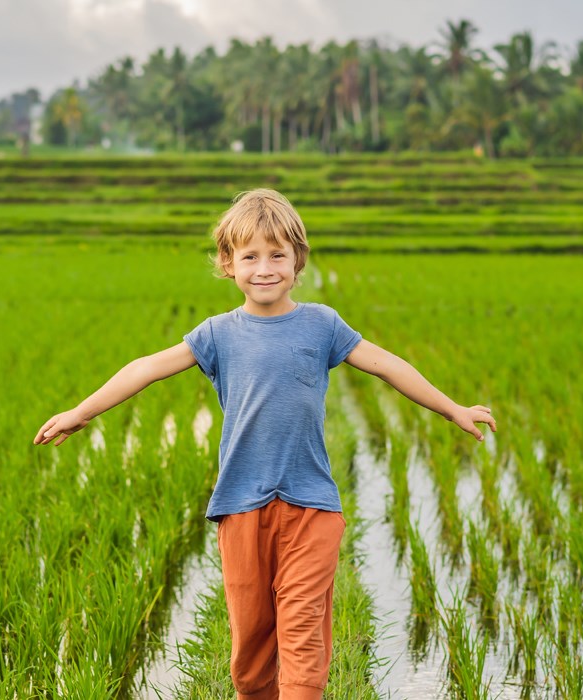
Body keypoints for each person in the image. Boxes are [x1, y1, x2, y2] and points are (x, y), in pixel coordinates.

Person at [33, 188, 497, 700]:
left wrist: (452, 407)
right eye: (250, 256)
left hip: (311, 506)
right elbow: (146, 369)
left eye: (277, 255)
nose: (265, 268)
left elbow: (387, 364)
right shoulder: (217, 334)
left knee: (301, 633)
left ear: (298, 260)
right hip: (241, 505)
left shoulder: (322, 324)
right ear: (228, 264)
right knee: (251, 653)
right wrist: (80, 413)